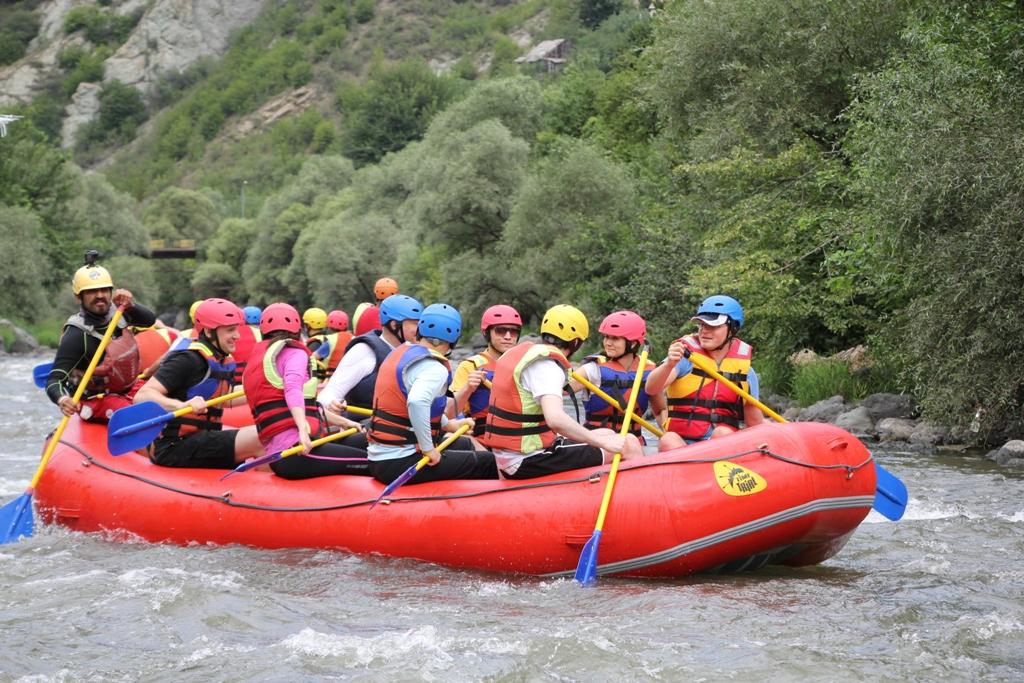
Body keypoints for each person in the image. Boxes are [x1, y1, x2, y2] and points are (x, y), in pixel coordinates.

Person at [480, 305, 643, 479]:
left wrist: (601, 438)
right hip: (527, 460)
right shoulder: (547, 366)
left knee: (609, 433)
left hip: (512, 454)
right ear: (575, 343)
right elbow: (555, 419)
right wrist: (600, 442)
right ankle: (639, 496)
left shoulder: (522, 354)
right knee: (630, 443)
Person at [367, 303, 496, 484]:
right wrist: (429, 449)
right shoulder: (435, 368)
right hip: (402, 463)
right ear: (453, 339)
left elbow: (419, 405)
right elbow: (417, 402)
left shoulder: (401, 353)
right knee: (489, 462)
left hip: (380, 459)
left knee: (465, 443)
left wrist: (450, 425)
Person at [242, 303, 368, 479]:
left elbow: (306, 406)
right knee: (376, 460)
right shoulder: (295, 354)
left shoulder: (258, 360)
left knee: (368, 440)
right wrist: (302, 429)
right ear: (297, 329)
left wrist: (345, 423)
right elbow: (292, 388)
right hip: (298, 452)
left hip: (286, 454)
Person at [134, 298, 263, 468]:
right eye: (230, 330)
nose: (237, 336)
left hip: (202, 439)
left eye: (237, 329)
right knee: (262, 437)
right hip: (173, 446)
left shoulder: (222, 360)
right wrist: (181, 405)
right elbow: (142, 396)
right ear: (209, 332)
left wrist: (263, 389)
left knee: (270, 431)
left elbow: (225, 399)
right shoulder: (187, 359)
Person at [645, 295, 765, 451]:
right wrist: (669, 365)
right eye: (701, 325)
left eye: (713, 326)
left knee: (723, 433)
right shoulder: (683, 358)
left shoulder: (746, 373)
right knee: (668, 439)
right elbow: (651, 389)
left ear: (732, 328)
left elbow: (754, 422)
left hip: (721, 447)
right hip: (683, 443)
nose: (704, 331)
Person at [46, 254, 155, 422]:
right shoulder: (77, 334)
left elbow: (149, 321)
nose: (100, 295)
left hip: (128, 388)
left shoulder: (119, 313)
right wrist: (63, 399)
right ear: (78, 297)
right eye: (91, 291)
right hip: (95, 400)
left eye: (104, 290)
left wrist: (131, 305)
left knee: (165, 398)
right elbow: (54, 380)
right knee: (140, 415)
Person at [317, 294, 422, 420]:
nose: (421, 329)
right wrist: (334, 405)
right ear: (394, 325)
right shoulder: (364, 350)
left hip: (401, 428)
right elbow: (326, 396)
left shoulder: (414, 354)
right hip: (363, 427)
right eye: (415, 324)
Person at [571, 311, 665, 441]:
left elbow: (660, 411)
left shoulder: (649, 372)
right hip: (598, 442)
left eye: (615, 338)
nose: (608, 343)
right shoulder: (593, 369)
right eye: (606, 337)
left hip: (634, 441)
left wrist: (667, 435)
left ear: (632, 343)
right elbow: (558, 392)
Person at [450, 305, 522, 436]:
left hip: (519, 438)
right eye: (501, 330)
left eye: (514, 331)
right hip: (482, 437)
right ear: (487, 333)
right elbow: (451, 412)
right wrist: (467, 388)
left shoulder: (525, 366)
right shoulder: (469, 366)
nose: (508, 336)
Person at [315, 309, 353, 380]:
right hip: (351, 379)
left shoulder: (330, 341)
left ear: (329, 326)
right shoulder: (354, 338)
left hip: (331, 380)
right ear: (346, 326)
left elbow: (313, 358)